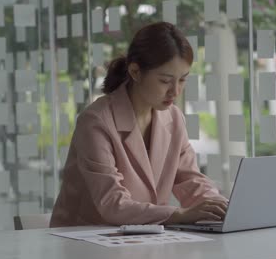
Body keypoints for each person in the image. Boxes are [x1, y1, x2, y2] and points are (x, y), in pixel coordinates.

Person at [50, 22, 228, 227]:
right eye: (165, 81)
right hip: (82, 243)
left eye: (182, 80)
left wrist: (221, 206)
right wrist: (180, 215)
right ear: (135, 72)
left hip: (139, 240)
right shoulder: (96, 121)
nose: (175, 91)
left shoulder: (174, 119)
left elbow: (190, 181)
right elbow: (112, 204)